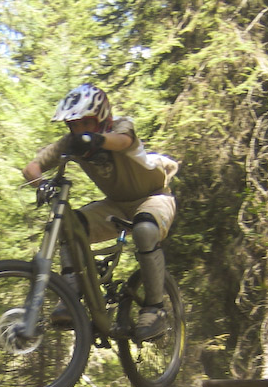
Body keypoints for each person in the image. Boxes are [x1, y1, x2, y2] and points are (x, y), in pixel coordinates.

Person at [22, 84, 180, 342]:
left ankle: (155, 309)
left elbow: (123, 141)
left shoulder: (120, 127)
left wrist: (96, 140)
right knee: (69, 226)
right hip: (115, 204)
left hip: (154, 197)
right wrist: (42, 184)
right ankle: (71, 295)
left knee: (144, 229)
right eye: (74, 125)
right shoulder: (71, 142)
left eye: (87, 123)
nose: (80, 130)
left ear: (103, 119)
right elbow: (31, 168)